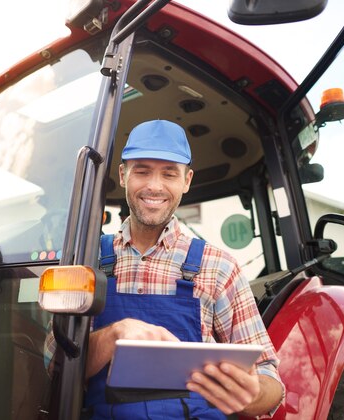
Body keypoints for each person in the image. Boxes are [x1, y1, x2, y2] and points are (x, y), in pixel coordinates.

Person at [84, 119, 284, 419]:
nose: (154, 185)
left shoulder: (218, 267)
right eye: (142, 171)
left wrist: (253, 393)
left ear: (186, 180)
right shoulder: (88, 260)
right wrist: (111, 336)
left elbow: (271, 380)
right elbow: (52, 364)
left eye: (169, 173)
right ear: (123, 175)